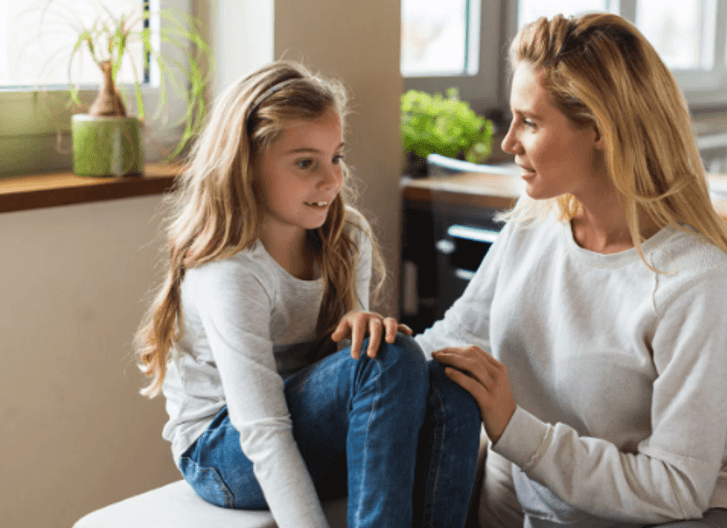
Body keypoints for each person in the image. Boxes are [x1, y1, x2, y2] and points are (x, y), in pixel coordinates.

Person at [417, 13, 727, 528]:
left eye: (529, 122)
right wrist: (381, 347)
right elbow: (456, 339)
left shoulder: (695, 279)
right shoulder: (530, 226)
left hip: (679, 518)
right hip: (557, 512)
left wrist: (515, 429)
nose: (508, 143)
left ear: (600, 130)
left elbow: (679, 490)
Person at [134, 61, 481, 528]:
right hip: (225, 453)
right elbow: (263, 429)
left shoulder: (346, 234)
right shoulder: (230, 272)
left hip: (312, 436)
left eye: (335, 157)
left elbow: (356, 378)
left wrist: (362, 328)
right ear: (247, 165)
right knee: (391, 358)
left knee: (448, 386)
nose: (332, 180)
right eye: (305, 162)